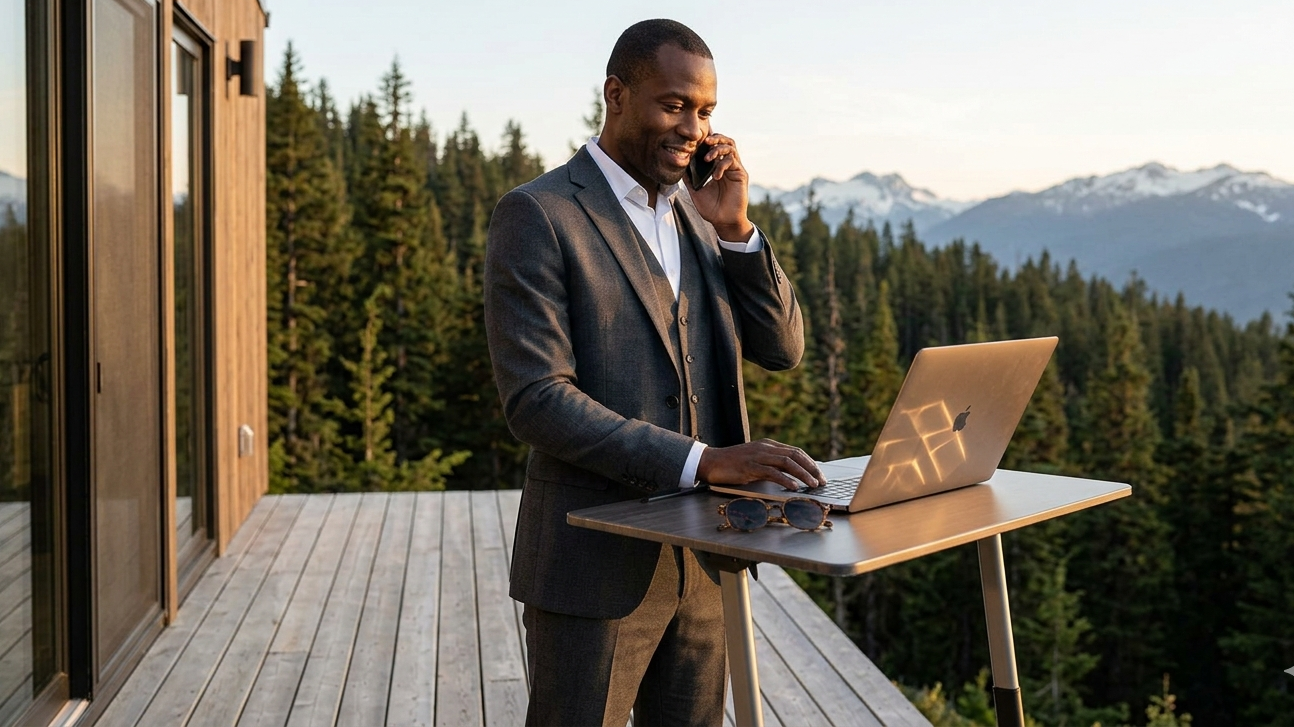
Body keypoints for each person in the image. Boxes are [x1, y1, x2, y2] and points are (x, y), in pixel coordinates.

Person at [484, 18, 824, 727]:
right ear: (616, 94)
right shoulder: (538, 214)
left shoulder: (704, 219)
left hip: (706, 564)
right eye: (674, 104)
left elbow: (785, 347)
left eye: (705, 111)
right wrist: (703, 461)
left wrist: (736, 233)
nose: (694, 128)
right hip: (591, 564)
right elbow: (537, 398)